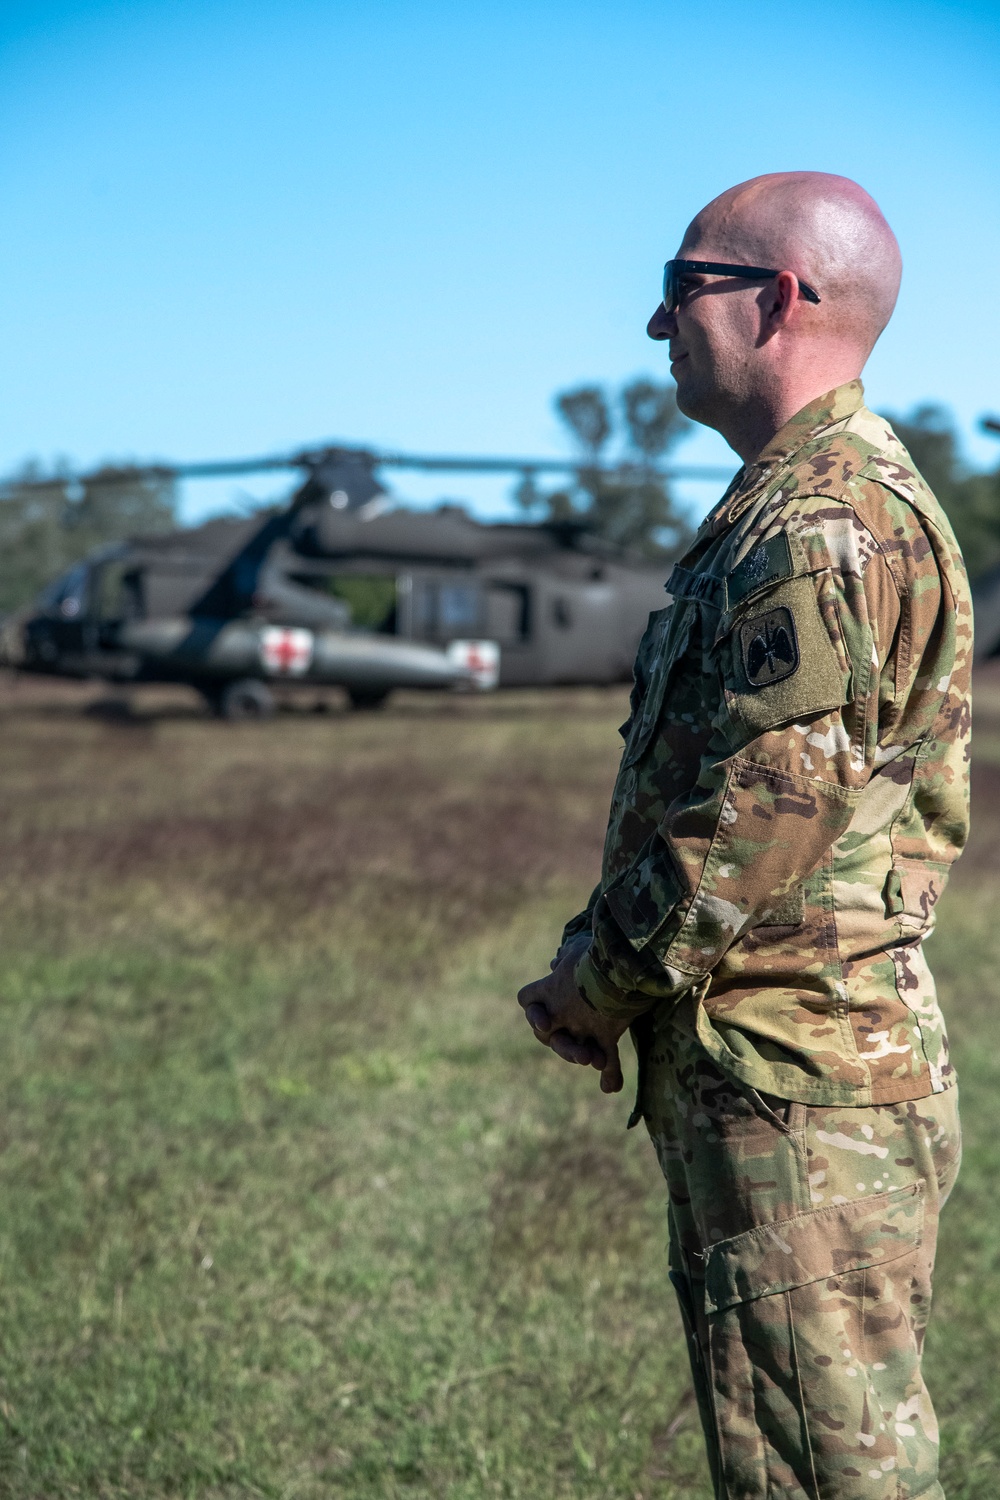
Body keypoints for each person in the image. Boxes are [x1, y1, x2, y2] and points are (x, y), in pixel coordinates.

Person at [517, 172, 971, 1500]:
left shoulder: (821, 527)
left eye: (682, 285)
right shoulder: (787, 510)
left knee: (830, 1474)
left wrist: (595, 985)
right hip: (781, 1070)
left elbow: (748, 836)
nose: (658, 324)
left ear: (776, 300)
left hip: (795, 1080)